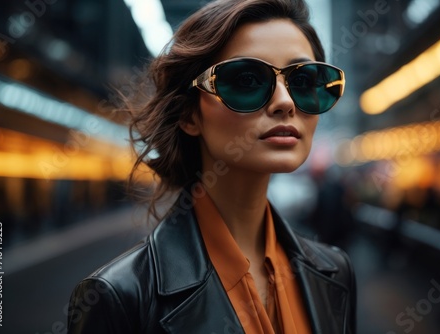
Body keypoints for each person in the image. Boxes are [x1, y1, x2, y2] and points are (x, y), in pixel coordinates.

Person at [67, 0, 356, 333]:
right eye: (247, 81)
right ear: (190, 114)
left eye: (305, 81)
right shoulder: (120, 297)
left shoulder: (336, 272)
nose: (286, 102)